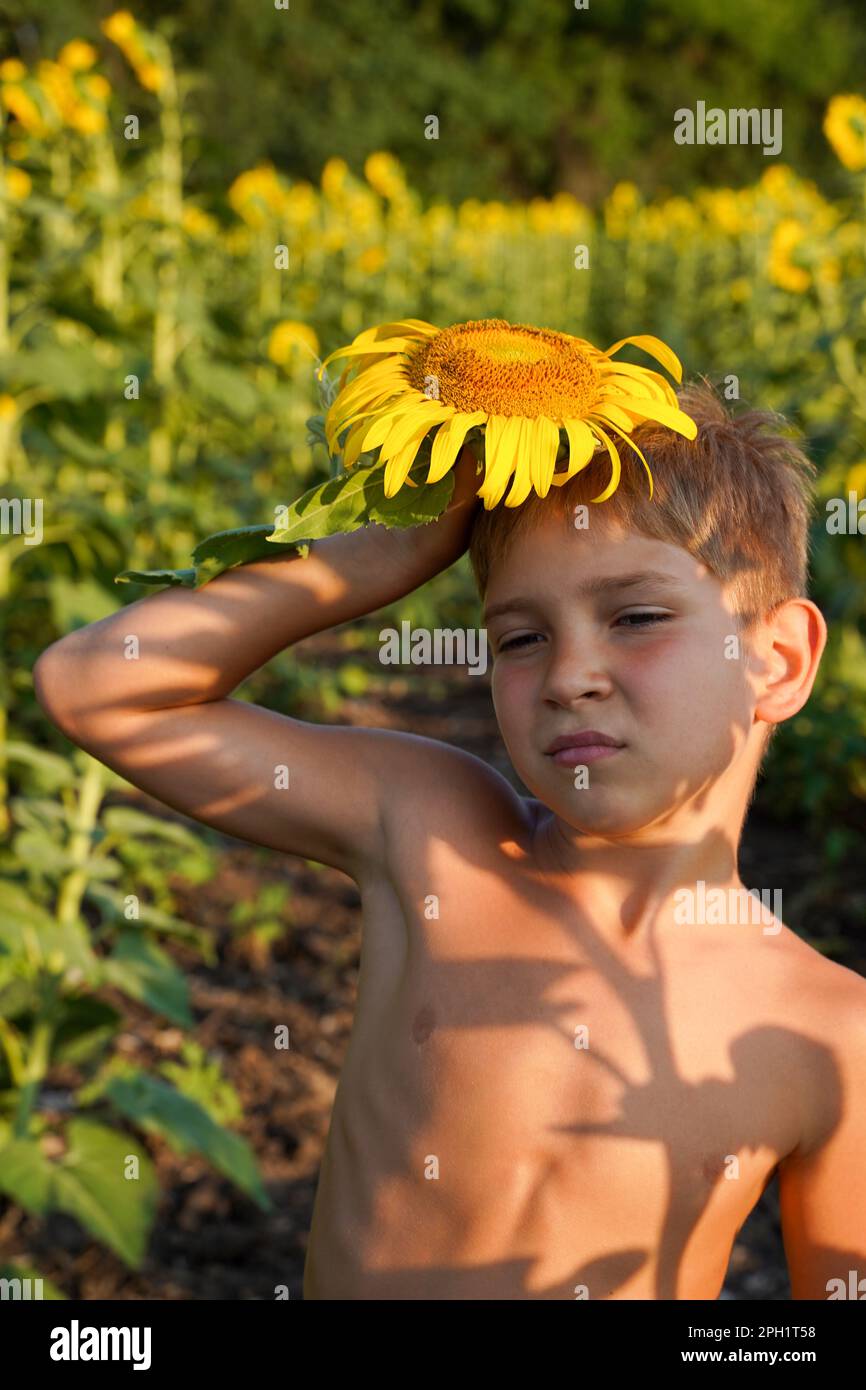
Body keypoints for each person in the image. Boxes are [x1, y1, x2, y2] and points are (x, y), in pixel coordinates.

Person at [34, 381, 866, 1300]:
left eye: (634, 618)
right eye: (520, 637)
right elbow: (97, 686)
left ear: (776, 661)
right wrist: (388, 546)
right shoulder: (435, 827)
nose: (569, 676)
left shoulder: (833, 1032)